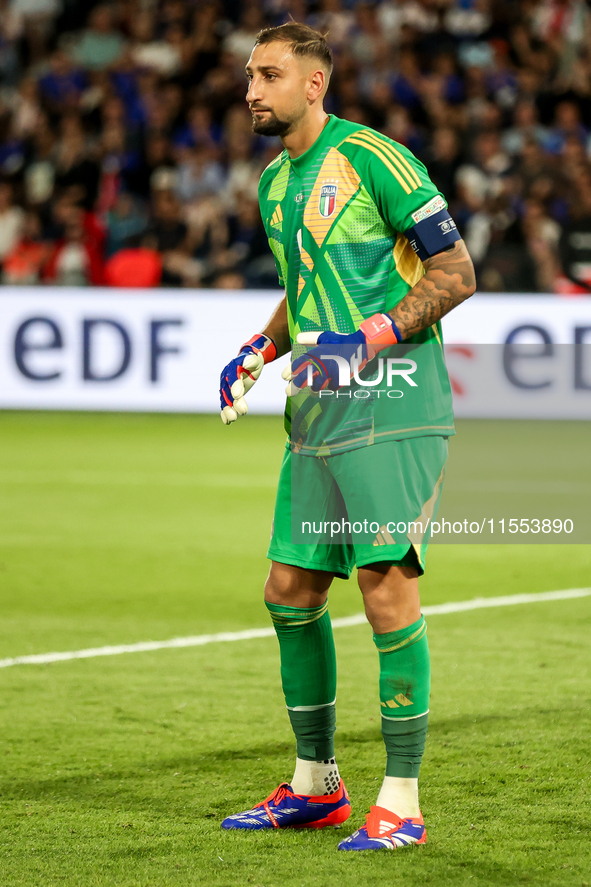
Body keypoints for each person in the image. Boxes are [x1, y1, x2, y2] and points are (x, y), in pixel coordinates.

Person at [218, 23, 476, 852]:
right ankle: (315, 785)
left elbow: (454, 273)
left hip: (393, 402)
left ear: (314, 84)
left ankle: (400, 800)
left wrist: (366, 339)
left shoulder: (373, 159)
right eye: (249, 76)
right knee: (289, 590)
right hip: (318, 410)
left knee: (382, 587)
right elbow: (306, 291)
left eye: (268, 75)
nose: (252, 90)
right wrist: (261, 348)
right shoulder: (272, 183)